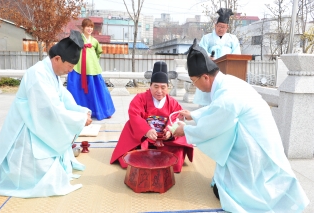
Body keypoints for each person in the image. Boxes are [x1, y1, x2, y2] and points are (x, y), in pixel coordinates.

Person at [172, 39, 309, 212]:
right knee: (223, 176)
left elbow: (214, 126)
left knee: (227, 191)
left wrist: (185, 130)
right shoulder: (228, 83)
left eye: (194, 81)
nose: (195, 86)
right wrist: (194, 114)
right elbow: (217, 111)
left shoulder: (227, 94)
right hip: (256, 137)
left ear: (205, 77)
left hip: (255, 148)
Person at [0, 30, 93, 198]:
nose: (70, 71)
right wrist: (80, 119)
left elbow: (63, 98)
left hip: (38, 124)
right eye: (69, 66)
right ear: (57, 59)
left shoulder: (51, 73)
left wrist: (82, 111)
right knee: (42, 175)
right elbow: (51, 109)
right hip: (26, 129)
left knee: (55, 170)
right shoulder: (38, 74)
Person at [110, 61, 193, 173]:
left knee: (177, 156)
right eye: (156, 86)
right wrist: (146, 130)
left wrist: (170, 131)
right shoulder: (140, 98)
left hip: (165, 140)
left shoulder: (173, 103)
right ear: (150, 86)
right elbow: (134, 115)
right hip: (144, 138)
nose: (159, 91)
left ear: (168, 87)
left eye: (163, 87)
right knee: (130, 125)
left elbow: (175, 119)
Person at [67, 18, 115, 120]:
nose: (89, 29)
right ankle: (78, 112)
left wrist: (93, 62)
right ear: (83, 28)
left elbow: (98, 52)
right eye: (87, 26)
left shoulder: (94, 41)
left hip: (93, 69)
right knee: (77, 90)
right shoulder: (78, 39)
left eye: (91, 27)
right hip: (79, 68)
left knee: (99, 91)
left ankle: (104, 111)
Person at [194, 8, 241, 106]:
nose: (221, 29)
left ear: (227, 27)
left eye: (223, 27)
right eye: (219, 26)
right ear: (215, 25)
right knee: (208, 98)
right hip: (210, 69)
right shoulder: (207, 38)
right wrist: (208, 58)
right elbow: (201, 51)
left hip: (226, 70)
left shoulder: (232, 39)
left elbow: (237, 54)